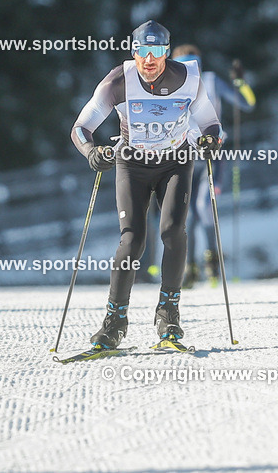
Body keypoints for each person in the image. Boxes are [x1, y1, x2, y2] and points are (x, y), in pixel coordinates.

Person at [70, 20, 222, 349]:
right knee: (132, 240)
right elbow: (82, 127)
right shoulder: (117, 81)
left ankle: (169, 313)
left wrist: (211, 139)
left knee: (172, 231)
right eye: (141, 51)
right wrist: (91, 152)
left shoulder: (188, 78)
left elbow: (210, 121)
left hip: (176, 161)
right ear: (133, 52)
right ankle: (114, 321)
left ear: (167, 54)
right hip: (132, 163)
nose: (148, 60)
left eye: (156, 52)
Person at [171, 45, 255, 286]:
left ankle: (212, 265)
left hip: (212, 157)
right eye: (185, 67)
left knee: (203, 208)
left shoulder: (210, 80)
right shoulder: (168, 86)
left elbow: (247, 104)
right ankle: (190, 269)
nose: (191, 72)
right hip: (184, 159)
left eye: (194, 66)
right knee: (185, 216)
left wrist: (240, 83)